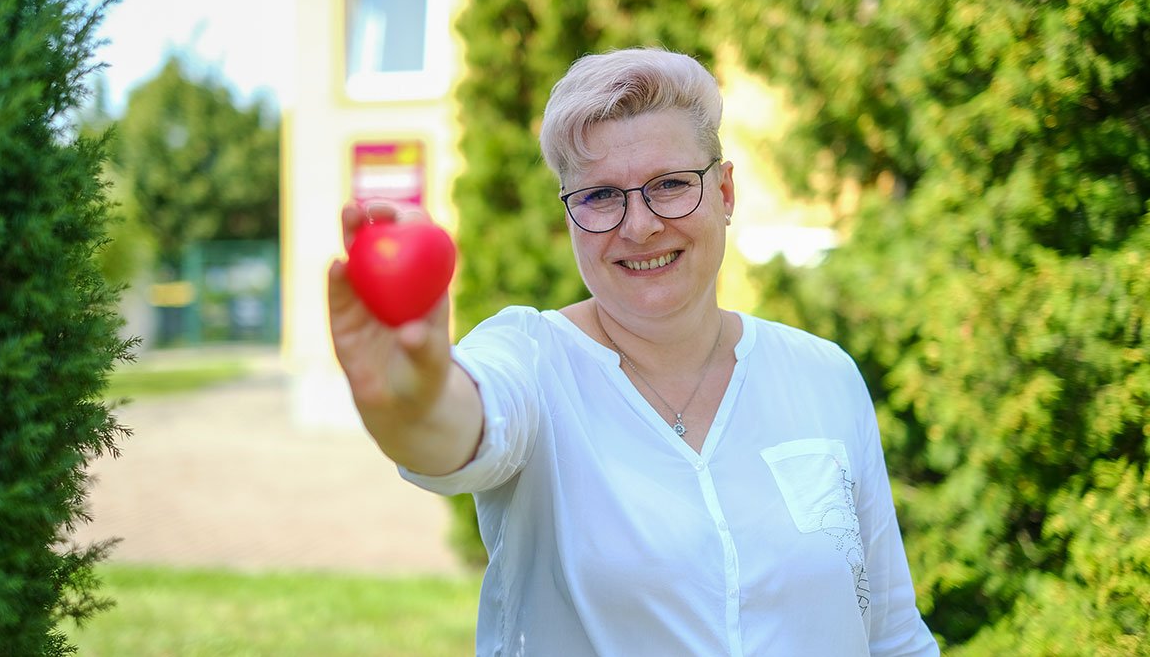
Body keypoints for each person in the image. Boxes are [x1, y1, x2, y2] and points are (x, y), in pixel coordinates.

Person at [328, 47, 939, 656]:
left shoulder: (822, 374)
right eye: (599, 196)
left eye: (671, 185)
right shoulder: (533, 359)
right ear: (568, 217)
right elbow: (459, 428)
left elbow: (891, 633)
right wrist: (415, 396)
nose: (640, 225)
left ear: (725, 192)